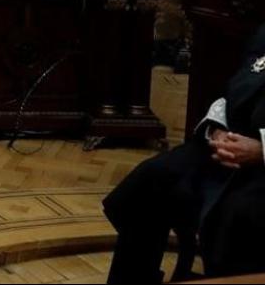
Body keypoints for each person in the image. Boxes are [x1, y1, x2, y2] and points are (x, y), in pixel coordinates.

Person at [103, 24, 265, 282]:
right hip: (227, 150)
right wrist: (217, 129)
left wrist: (261, 150)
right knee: (153, 178)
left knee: (238, 216)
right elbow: (231, 91)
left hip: (260, 169)